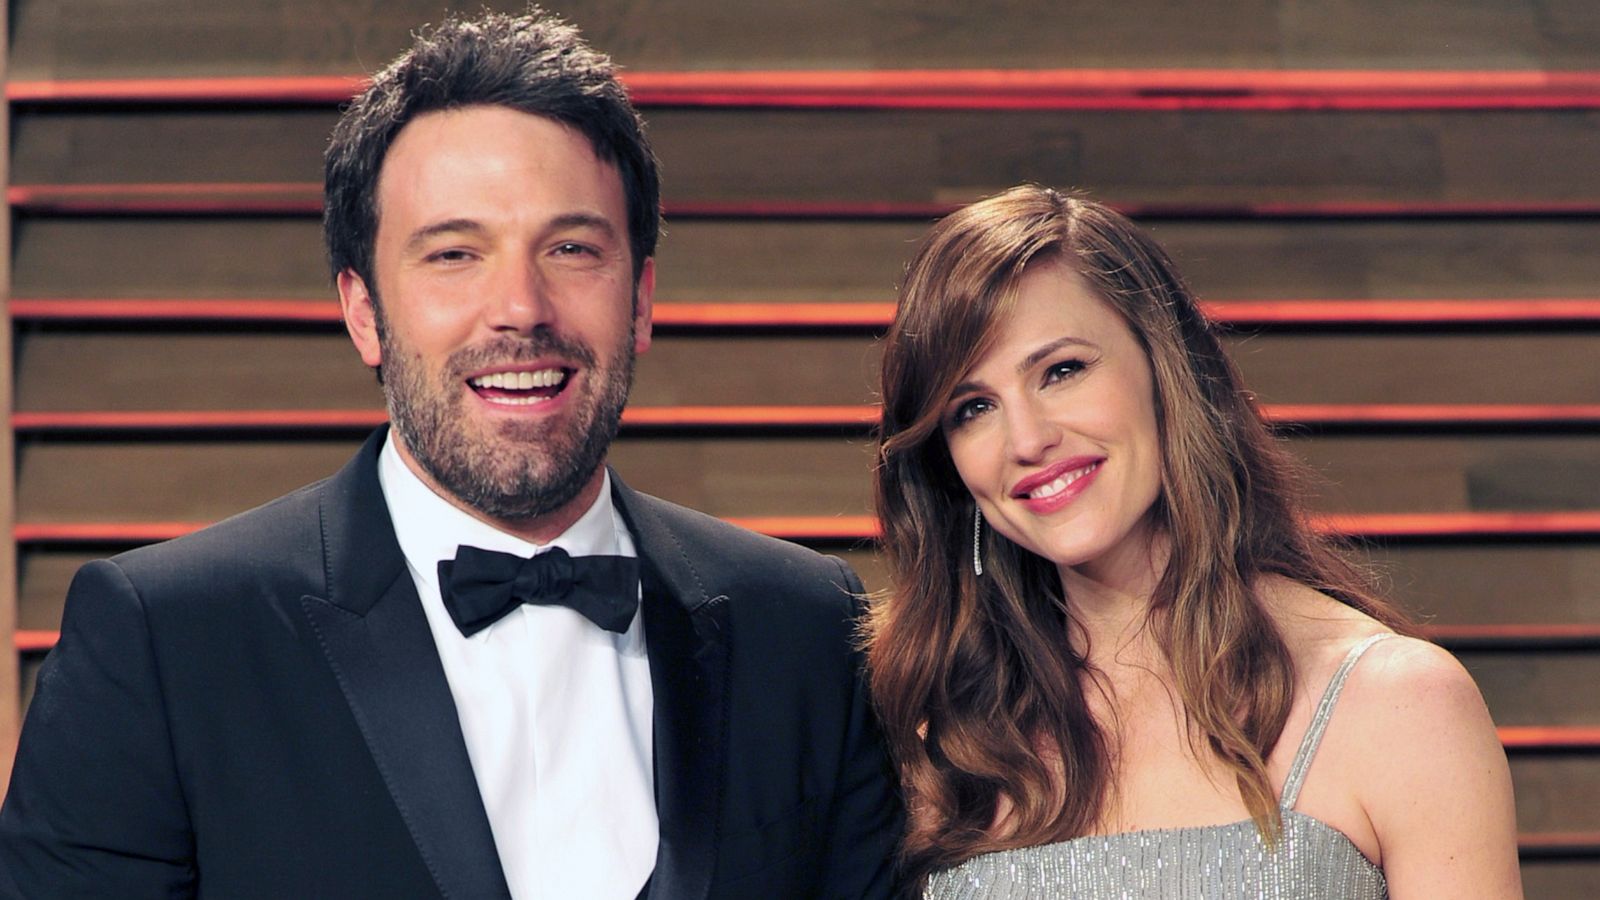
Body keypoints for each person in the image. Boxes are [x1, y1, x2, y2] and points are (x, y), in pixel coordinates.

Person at [0, 10, 902, 899]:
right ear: (364, 314)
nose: (520, 307)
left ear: (641, 300)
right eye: (454, 254)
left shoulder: (809, 629)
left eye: (572, 248)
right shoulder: (162, 644)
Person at [866, 185, 1521, 898]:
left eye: (1062, 370)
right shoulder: (936, 743)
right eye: (974, 408)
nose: (1027, 439)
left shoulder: (1398, 704)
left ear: (1165, 368)